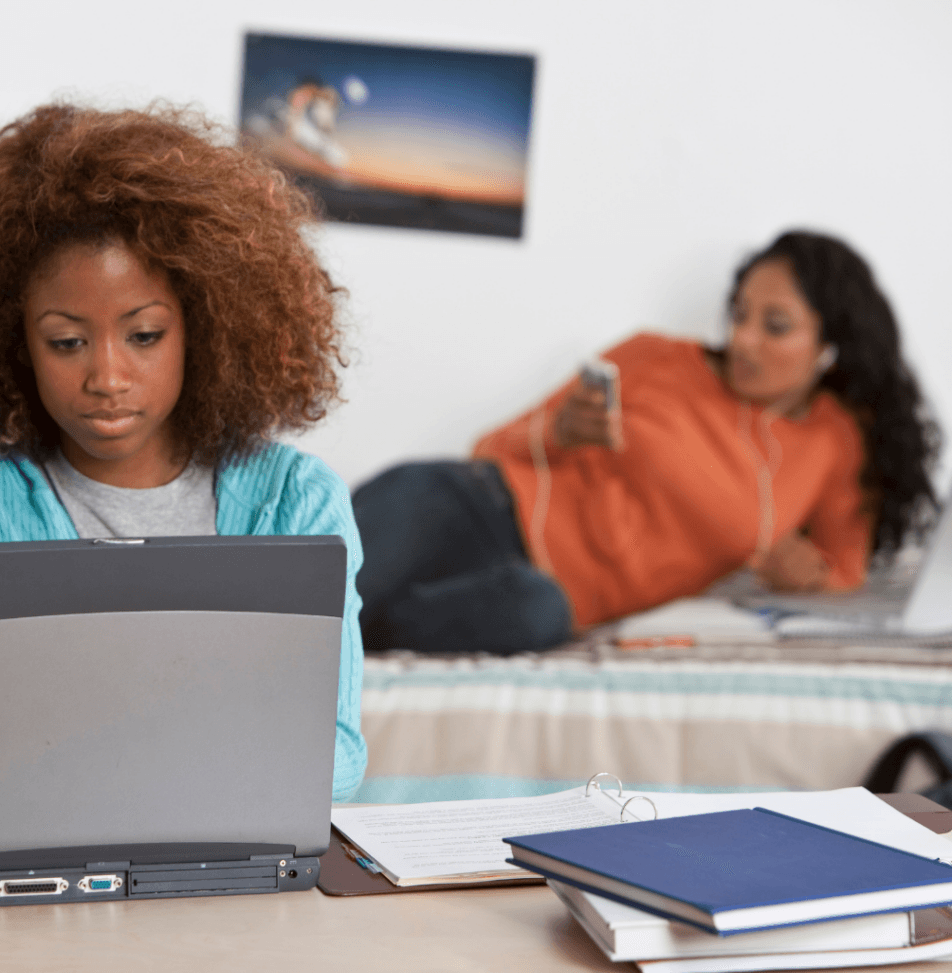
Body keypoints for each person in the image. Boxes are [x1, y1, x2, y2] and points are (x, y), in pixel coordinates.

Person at [0, 104, 367, 801]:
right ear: (17, 345)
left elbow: (335, 758)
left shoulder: (296, 500)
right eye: (67, 342)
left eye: (144, 335)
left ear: (206, 326)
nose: (106, 378)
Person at [354, 231, 941, 655]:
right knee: (301, 601)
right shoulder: (654, 357)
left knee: (531, 614)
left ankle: (352, 640)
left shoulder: (836, 438)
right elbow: (491, 446)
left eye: (775, 325)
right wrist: (559, 432)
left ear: (829, 346)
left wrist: (802, 577)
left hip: (549, 594)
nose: (743, 339)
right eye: (738, 316)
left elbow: (844, 572)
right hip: (474, 504)